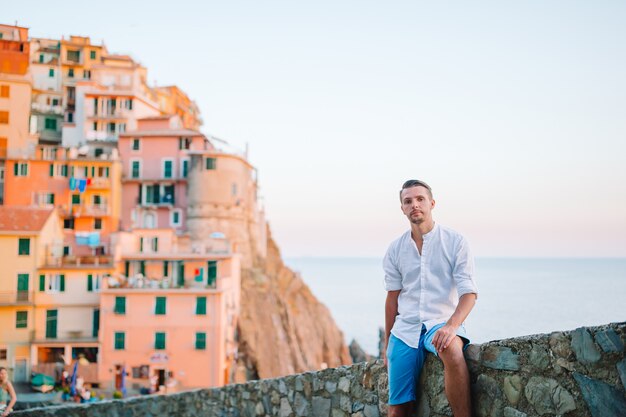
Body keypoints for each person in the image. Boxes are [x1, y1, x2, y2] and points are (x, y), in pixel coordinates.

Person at [383, 180, 478, 417]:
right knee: (398, 411)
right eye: (408, 201)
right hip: (405, 329)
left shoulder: (455, 242)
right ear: (402, 208)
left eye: (420, 199)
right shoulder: (395, 250)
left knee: (453, 351)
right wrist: (387, 345)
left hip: (441, 321)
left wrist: (451, 327)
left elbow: (469, 294)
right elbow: (392, 300)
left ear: (432, 203)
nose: (414, 205)